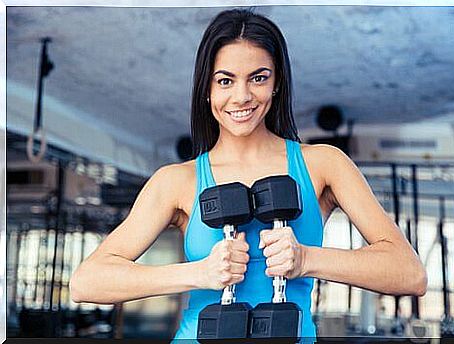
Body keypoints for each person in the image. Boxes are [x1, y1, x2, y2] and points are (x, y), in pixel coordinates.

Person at [70, 8, 428, 341]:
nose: (241, 96)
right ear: (206, 90)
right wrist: (198, 273)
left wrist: (306, 259)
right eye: (225, 81)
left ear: (276, 84)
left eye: (258, 78)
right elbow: (87, 283)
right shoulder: (177, 181)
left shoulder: (323, 164)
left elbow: (409, 273)